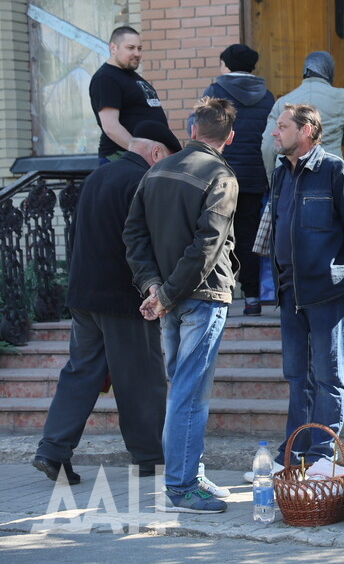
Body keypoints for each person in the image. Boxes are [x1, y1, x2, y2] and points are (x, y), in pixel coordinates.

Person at [31, 121, 180, 486]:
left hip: (84, 294)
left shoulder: (97, 176)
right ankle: (150, 458)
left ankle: (53, 450)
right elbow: (146, 242)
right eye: (167, 161)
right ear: (156, 153)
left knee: (81, 373)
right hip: (125, 296)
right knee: (142, 378)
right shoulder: (144, 180)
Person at [124, 97, 239, 514]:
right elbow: (207, 246)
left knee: (185, 391)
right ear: (229, 137)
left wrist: (155, 288)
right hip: (200, 297)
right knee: (189, 393)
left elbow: (134, 235)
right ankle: (181, 486)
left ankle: (190, 474)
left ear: (192, 130)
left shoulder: (156, 170)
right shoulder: (221, 176)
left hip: (170, 299)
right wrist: (165, 294)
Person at [252, 103, 344, 476]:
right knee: (296, 376)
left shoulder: (335, 171)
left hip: (326, 291)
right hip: (290, 292)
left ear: (306, 131)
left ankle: (323, 454)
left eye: (282, 126)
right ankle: (294, 455)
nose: (275, 132)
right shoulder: (280, 174)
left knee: (328, 376)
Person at [189, 44, 275, 316]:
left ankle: (220, 295)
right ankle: (252, 298)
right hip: (254, 178)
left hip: (219, 176)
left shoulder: (215, 92)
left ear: (226, 64)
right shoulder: (268, 97)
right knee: (248, 238)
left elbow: (195, 127)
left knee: (217, 235)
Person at [261, 51, 344, 180]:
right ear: (329, 71)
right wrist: (340, 137)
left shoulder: (283, 102)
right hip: (328, 171)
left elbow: (267, 146)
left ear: (305, 71)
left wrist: (272, 178)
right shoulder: (341, 97)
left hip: (290, 172)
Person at [89, 26, 169, 162]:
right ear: (113, 48)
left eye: (139, 48)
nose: (137, 53)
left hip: (144, 159)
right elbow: (110, 127)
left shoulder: (131, 77)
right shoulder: (106, 78)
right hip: (121, 158)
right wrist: (141, 152)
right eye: (130, 48)